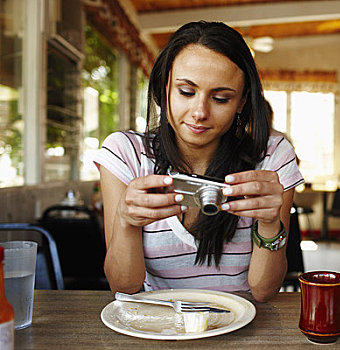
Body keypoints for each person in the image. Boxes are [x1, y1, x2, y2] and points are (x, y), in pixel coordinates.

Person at [93, 21, 304, 302]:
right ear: (164, 87)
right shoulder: (126, 153)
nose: (199, 112)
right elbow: (125, 287)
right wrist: (125, 220)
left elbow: (264, 291)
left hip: (244, 325)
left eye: (220, 98)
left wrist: (269, 224)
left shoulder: (273, 157)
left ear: (242, 102)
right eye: (186, 92)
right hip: (159, 327)